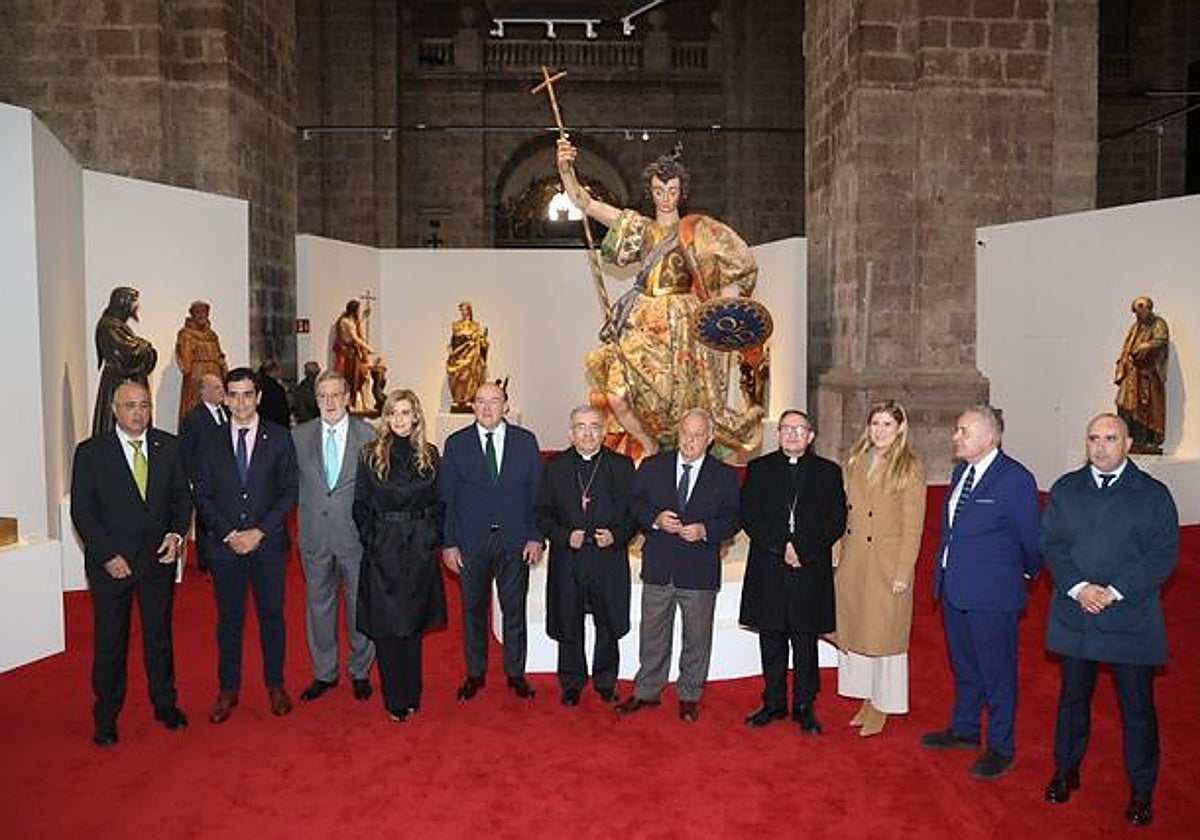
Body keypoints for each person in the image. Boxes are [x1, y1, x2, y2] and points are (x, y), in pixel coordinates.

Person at [556, 138, 761, 457]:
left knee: (684, 401)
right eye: (658, 191)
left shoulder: (700, 230)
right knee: (617, 394)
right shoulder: (638, 228)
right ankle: (649, 446)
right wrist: (565, 169)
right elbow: (585, 203)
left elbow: (740, 263)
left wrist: (722, 308)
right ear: (650, 192)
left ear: (682, 192)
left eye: (672, 191)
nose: (665, 198)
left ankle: (684, 457)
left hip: (684, 324)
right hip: (644, 321)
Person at [1040, 413, 1179, 827]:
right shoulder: (1067, 489)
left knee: (1137, 709)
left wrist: (1115, 591)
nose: (1100, 447)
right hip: (1077, 612)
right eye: (1093, 438)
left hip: (1129, 615)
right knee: (1072, 700)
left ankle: (1141, 791)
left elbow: (1163, 554)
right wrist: (1080, 587)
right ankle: (1066, 770)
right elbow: (1051, 544)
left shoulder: (1153, 494)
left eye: (1110, 438)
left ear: (1128, 443)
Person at [921, 405, 1040, 781]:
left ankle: (1002, 747)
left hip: (993, 595)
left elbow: (1032, 541)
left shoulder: (1015, 479)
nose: (956, 436)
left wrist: (1019, 574)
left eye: (963, 431)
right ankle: (966, 729)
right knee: (965, 667)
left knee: (998, 674)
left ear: (990, 437)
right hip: (955, 589)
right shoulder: (961, 473)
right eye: (957, 430)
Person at [70, 379, 192, 746]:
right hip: (113, 567)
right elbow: (83, 512)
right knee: (111, 642)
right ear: (114, 410)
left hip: (157, 562)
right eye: (130, 406)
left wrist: (175, 535)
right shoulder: (91, 452)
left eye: (144, 405)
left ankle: (165, 704)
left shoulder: (168, 446)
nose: (138, 413)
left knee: (159, 637)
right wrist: (107, 556)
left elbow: (181, 501)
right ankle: (106, 715)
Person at [617, 409, 740, 723]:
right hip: (659, 565)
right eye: (687, 433)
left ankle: (689, 694)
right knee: (653, 633)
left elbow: (733, 519)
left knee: (697, 637)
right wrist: (655, 520)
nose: (691, 440)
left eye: (699, 435)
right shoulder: (653, 466)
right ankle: (647, 691)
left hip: (699, 569)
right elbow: (634, 504)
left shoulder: (724, 475)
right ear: (678, 433)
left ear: (710, 439)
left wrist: (706, 531)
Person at [193, 367, 299, 723]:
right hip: (224, 549)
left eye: (246, 394)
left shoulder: (281, 438)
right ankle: (228, 689)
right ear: (224, 398)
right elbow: (203, 496)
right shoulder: (210, 442)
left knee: (272, 618)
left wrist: (259, 532)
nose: (240, 402)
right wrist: (229, 534)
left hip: (268, 546)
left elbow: (289, 492)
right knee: (229, 621)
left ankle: (275, 684)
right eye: (233, 395)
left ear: (258, 397)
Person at [739, 410, 846, 734]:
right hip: (769, 566)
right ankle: (772, 702)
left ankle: (804, 705)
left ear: (811, 436)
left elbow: (836, 520)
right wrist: (781, 546)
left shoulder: (828, 472)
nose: (792, 435)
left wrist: (802, 549)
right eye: (786, 429)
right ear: (779, 434)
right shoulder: (759, 469)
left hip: (809, 567)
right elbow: (749, 515)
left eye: (799, 430)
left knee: (804, 640)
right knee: (771, 637)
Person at [440, 382, 544, 701]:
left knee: (514, 610)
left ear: (506, 407)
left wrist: (535, 536)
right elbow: (448, 499)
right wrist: (449, 543)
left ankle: (515, 673)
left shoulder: (525, 442)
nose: (487, 408)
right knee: (473, 610)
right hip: (471, 542)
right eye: (480, 402)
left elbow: (537, 495)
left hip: (515, 542)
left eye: (494, 402)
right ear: (472, 406)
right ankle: (475, 673)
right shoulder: (456, 444)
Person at [353, 389, 448, 722]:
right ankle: (395, 697)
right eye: (393, 413)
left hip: (419, 548)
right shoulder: (370, 455)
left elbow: (440, 504)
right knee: (387, 626)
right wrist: (373, 537)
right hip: (383, 549)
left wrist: (430, 536)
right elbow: (360, 506)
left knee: (413, 626)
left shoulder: (430, 455)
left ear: (416, 417)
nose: (399, 420)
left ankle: (413, 693)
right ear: (386, 417)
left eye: (406, 413)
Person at [833, 401, 925, 737]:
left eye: (887, 424)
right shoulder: (856, 460)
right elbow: (844, 512)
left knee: (885, 634)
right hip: (856, 557)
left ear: (900, 428)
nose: (880, 430)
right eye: (875, 423)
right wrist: (837, 551)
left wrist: (904, 571)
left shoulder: (909, 467)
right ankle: (866, 697)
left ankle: (884, 703)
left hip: (888, 562)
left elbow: (913, 526)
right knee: (859, 629)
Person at [536, 405, 637, 707]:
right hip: (570, 558)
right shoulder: (555, 467)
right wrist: (565, 536)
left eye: (594, 426)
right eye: (581, 426)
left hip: (608, 558)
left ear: (604, 432)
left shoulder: (621, 466)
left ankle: (606, 682)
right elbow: (542, 514)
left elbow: (634, 513)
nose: (588, 432)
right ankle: (572, 682)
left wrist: (617, 536)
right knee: (569, 620)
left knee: (607, 621)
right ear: (571, 433)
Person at [292, 371, 377, 704]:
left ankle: (360, 671)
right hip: (314, 537)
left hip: (355, 539)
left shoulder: (368, 436)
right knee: (319, 607)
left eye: (335, 395)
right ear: (316, 400)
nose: (329, 402)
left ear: (347, 398)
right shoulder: (298, 437)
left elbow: (377, 490)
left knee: (359, 606)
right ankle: (324, 672)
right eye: (322, 396)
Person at [178, 373, 228, 573]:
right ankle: (206, 561)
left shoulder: (227, 412)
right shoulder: (193, 418)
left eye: (220, 386)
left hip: (226, 476)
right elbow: (186, 451)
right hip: (204, 477)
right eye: (215, 387)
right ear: (202, 391)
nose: (221, 391)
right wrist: (193, 478)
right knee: (205, 520)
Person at [92, 286, 157, 436]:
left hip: (126, 381)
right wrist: (145, 346)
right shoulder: (109, 326)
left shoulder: (118, 326)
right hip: (119, 384)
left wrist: (141, 346)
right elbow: (127, 354)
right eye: (132, 304)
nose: (134, 309)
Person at [1114, 296, 1169, 454]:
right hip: (1131, 374)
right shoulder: (1135, 327)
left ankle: (1143, 440)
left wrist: (1146, 346)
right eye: (1137, 312)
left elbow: (1161, 341)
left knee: (1145, 408)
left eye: (1142, 311)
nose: (1139, 315)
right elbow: (1127, 348)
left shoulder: (1158, 323)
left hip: (1147, 375)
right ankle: (1128, 438)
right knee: (1123, 404)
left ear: (1149, 309)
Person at [175, 300, 228, 425]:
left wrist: (223, 368)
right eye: (198, 312)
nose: (202, 315)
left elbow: (219, 355)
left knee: (216, 405)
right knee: (195, 407)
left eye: (205, 312)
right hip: (196, 375)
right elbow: (184, 359)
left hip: (214, 372)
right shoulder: (186, 334)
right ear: (192, 314)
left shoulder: (212, 335)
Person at [446, 301, 489, 412]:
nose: (465, 312)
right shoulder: (456, 325)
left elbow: (481, 342)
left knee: (471, 378)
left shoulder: (476, 326)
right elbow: (454, 341)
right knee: (459, 377)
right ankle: (459, 399)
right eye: (463, 310)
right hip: (460, 356)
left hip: (472, 357)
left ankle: (469, 399)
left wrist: (483, 341)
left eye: (467, 309)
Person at [334, 300, 375, 411]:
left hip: (356, 354)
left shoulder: (352, 321)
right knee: (351, 378)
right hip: (349, 355)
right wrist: (367, 347)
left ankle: (365, 403)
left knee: (363, 377)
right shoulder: (345, 322)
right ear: (353, 310)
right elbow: (354, 337)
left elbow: (355, 327)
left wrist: (363, 317)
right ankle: (349, 404)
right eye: (358, 309)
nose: (358, 311)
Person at [257, 360, 291, 427]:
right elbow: (283, 411)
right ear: (273, 372)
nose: (280, 373)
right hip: (276, 424)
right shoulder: (277, 389)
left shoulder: (257, 385)